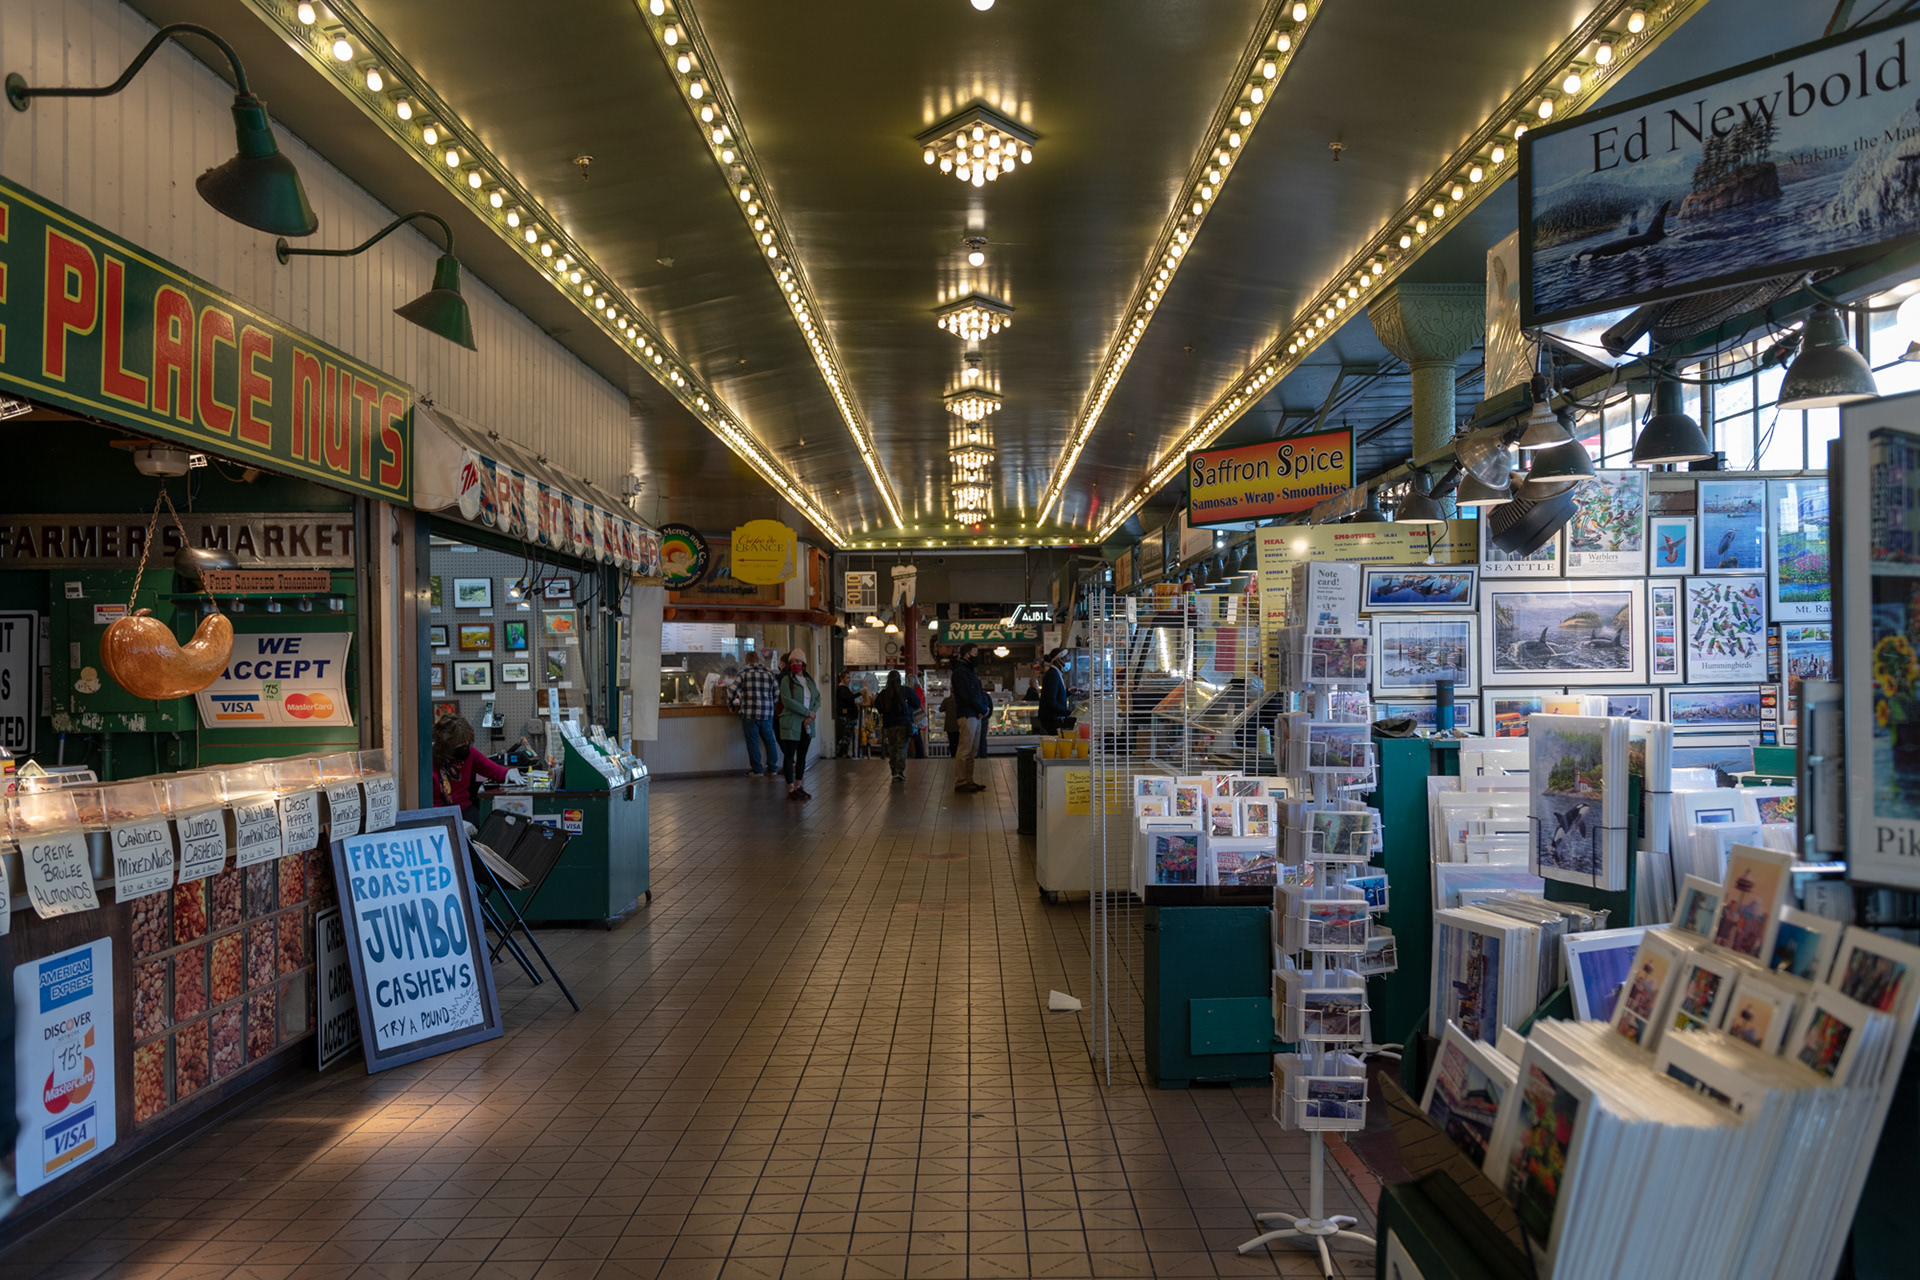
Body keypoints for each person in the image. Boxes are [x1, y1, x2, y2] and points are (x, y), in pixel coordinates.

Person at [431, 714, 509, 827]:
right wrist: (456, 824)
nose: (466, 749)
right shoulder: (428, 761)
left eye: (467, 744)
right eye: (460, 746)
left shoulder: (470, 753)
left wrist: (510, 772)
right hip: (437, 814)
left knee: (491, 829)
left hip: (463, 808)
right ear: (446, 746)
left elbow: (496, 771)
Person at [777, 648, 820, 800]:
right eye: (793, 662)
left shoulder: (809, 680)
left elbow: (816, 698)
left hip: (807, 724)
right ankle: (790, 789)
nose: (796, 664)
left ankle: (799, 785)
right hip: (791, 723)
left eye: (799, 662)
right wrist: (807, 713)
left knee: (802, 756)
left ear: (804, 664)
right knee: (789, 757)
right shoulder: (786, 680)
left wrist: (812, 715)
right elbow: (788, 701)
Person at [950, 643, 992, 793]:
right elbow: (967, 696)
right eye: (975, 653)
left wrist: (982, 709)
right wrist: (982, 708)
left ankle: (969, 780)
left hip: (975, 715)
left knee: (972, 751)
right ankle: (960, 781)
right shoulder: (960, 672)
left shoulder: (969, 671)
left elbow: (978, 693)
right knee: (965, 750)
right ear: (967, 654)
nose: (977, 657)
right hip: (968, 715)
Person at [731, 650, 780, 778]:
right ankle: (773, 768)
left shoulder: (742, 673)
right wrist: (771, 705)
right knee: (769, 741)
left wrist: (731, 705)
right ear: (758, 660)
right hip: (767, 714)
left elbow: (731, 692)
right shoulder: (769, 673)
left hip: (749, 714)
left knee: (752, 742)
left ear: (746, 661)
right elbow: (777, 693)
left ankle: (757, 770)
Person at [876, 670, 913, 783]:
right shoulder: (906, 691)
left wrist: (885, 712)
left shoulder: (883, 693)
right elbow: (916, 702)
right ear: (899, 679)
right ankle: (899, 771)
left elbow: (878, 706)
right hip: (903, 724)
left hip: (889, 725)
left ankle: (893, 771)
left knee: (892, 747)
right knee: (902, 747)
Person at [1038, 647, 1075, 736]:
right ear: (1059, 660)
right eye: (1067, 659)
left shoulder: (1056, 674)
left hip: (1053, 718)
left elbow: (1054, 695)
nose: (1068, 661)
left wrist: (1068, 692)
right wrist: (1069, 713)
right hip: (1052, 719)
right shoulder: (1052, 675)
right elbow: (1051, 701)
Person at [834, 670, 860, 757]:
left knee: (848, 735)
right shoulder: (841, 689)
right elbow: (849, 698)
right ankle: (839, 749)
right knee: (847, 734)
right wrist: (860, 693)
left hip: (849, 715)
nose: (849, 679)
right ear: (842, 678)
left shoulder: (845, 689)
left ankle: (844, 753)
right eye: (847, 678)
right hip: (846, 716)